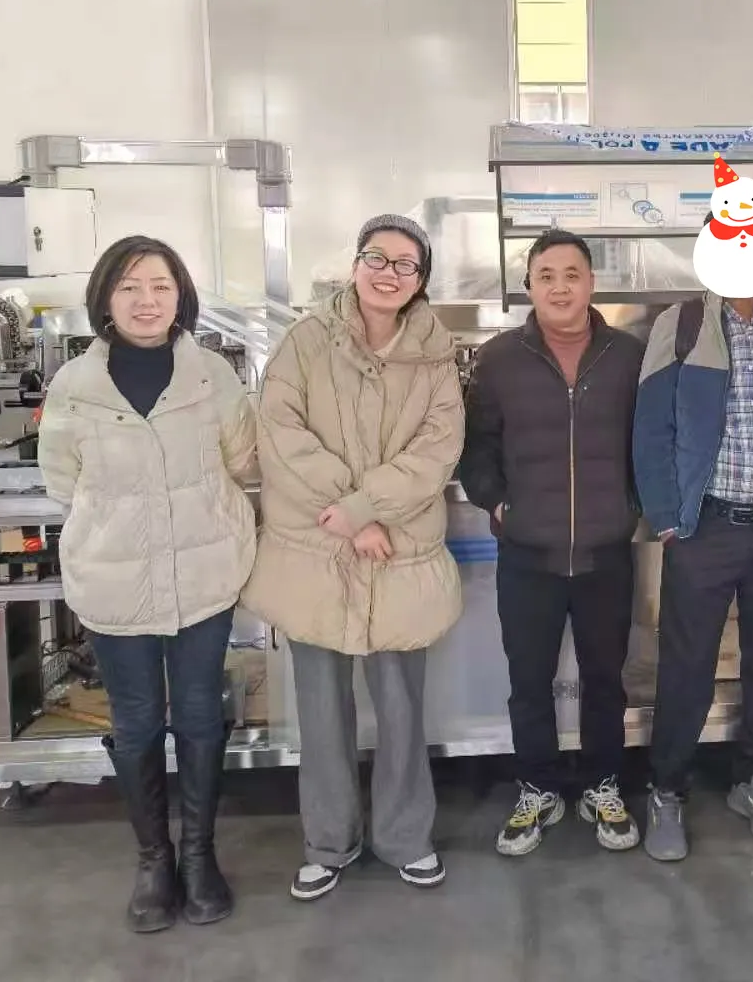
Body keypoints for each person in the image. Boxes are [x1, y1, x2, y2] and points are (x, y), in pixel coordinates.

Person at [241, 214, 465, 903]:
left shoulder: (435, 355)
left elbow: (437, 449)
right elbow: (280, 433)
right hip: (318, 551)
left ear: (420, 281)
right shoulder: (304, 342)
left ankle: (405, 838)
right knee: (321, 711)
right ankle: (328, 843)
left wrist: (367, 509)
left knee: (401, 709)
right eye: (377, 258)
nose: (388, 273)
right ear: (355, 263)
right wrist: (348, 512)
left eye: (406, 265)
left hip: (397, 553)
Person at [38, 235, 257, 934]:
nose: (146, 300)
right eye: (130, 286)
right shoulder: (74, 385)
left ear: (180, 297)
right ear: (106, 297)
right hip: (115, 580)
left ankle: (199, 856)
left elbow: (243, 460)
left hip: (203, 572)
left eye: (160, 286)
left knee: (197, 715)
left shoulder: (212, 376)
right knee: (134, 723)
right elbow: (62, 480)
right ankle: (153, 859)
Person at [460, 230, 646, 857]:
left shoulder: (627, 355)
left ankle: (602, 785)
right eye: (546, 275)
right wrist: (499, 504)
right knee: (529, 681)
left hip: (606, 554)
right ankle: (537, 787)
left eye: (571, 274)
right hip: (527, 554)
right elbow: (476, 447)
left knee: (605, 680)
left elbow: (649, 440)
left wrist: (632, 507)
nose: (560, 287)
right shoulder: (499, 359)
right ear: (529, 286)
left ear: (591, 283)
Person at [632, 287, 753, 861]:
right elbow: (651, 429)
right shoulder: (682, 325)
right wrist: (667, 519)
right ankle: (667, 790)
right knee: (687, 665)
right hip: (705, 529)